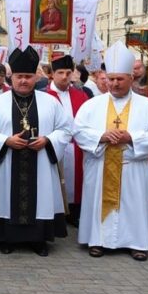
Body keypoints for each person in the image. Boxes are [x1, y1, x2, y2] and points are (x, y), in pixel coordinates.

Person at [74, 41, 148, 261]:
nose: (114, 84)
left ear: (131, 78)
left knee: (134, 205)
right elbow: (78, 130)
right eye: (111, 79)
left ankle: (137, 243)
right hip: (101, 165)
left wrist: (132, 137)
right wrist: (101, 136)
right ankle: (97, 241)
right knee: (99, 202)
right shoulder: (92, 105)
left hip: (133, 167)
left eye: (120, 79)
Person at [0, 46, 71, 256]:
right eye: (19, 76)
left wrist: (48, 140)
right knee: (7, 200)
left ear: (36, 77)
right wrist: (6, 140)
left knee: (40, 201)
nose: (24, 81)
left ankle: (38, 240)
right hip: (8, 163)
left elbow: (66, 129)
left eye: (28, 76)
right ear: (12, 77)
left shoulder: (50, 102)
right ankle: (7, 239)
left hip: (40, 162)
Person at [46, 55, 90, 226]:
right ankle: (56, 214)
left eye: (68, 73)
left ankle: (74, 213)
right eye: (60, 73)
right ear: (52, 74)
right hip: (54, 145)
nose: (65, 77)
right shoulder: (44, 96)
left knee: (76, 180)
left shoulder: (81, 95)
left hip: (77, 146)